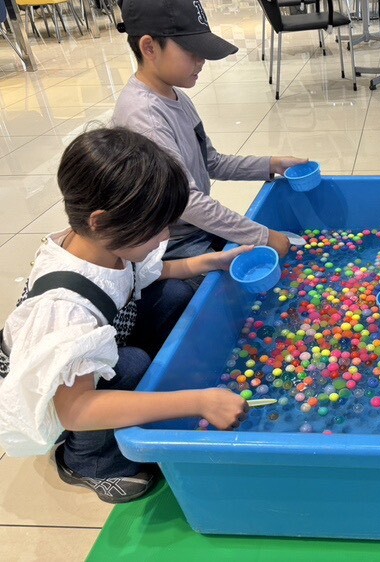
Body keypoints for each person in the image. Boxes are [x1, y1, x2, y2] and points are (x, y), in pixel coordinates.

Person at [0, 128, 252, 504]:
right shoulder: (66, 309)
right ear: (101, 221)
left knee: (175, 293)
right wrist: (198, 402)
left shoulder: (105, 247)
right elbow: (75, 410)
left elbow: (151, 273)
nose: (164, 237)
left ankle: (146, 390)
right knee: (132, 365)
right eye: (155, 228)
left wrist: (212, 261)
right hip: (60, 394)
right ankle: (88, 462)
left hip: (98, 343)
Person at [112, 0, 306, 269]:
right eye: (192, 51)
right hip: (166, 244)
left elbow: (209, 161)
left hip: (193, 228)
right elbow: (187, 202)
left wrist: (272, 164)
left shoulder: (175, 95)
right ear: (149, 47)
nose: (201, 60)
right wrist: (264, 236)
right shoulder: (145, 118)